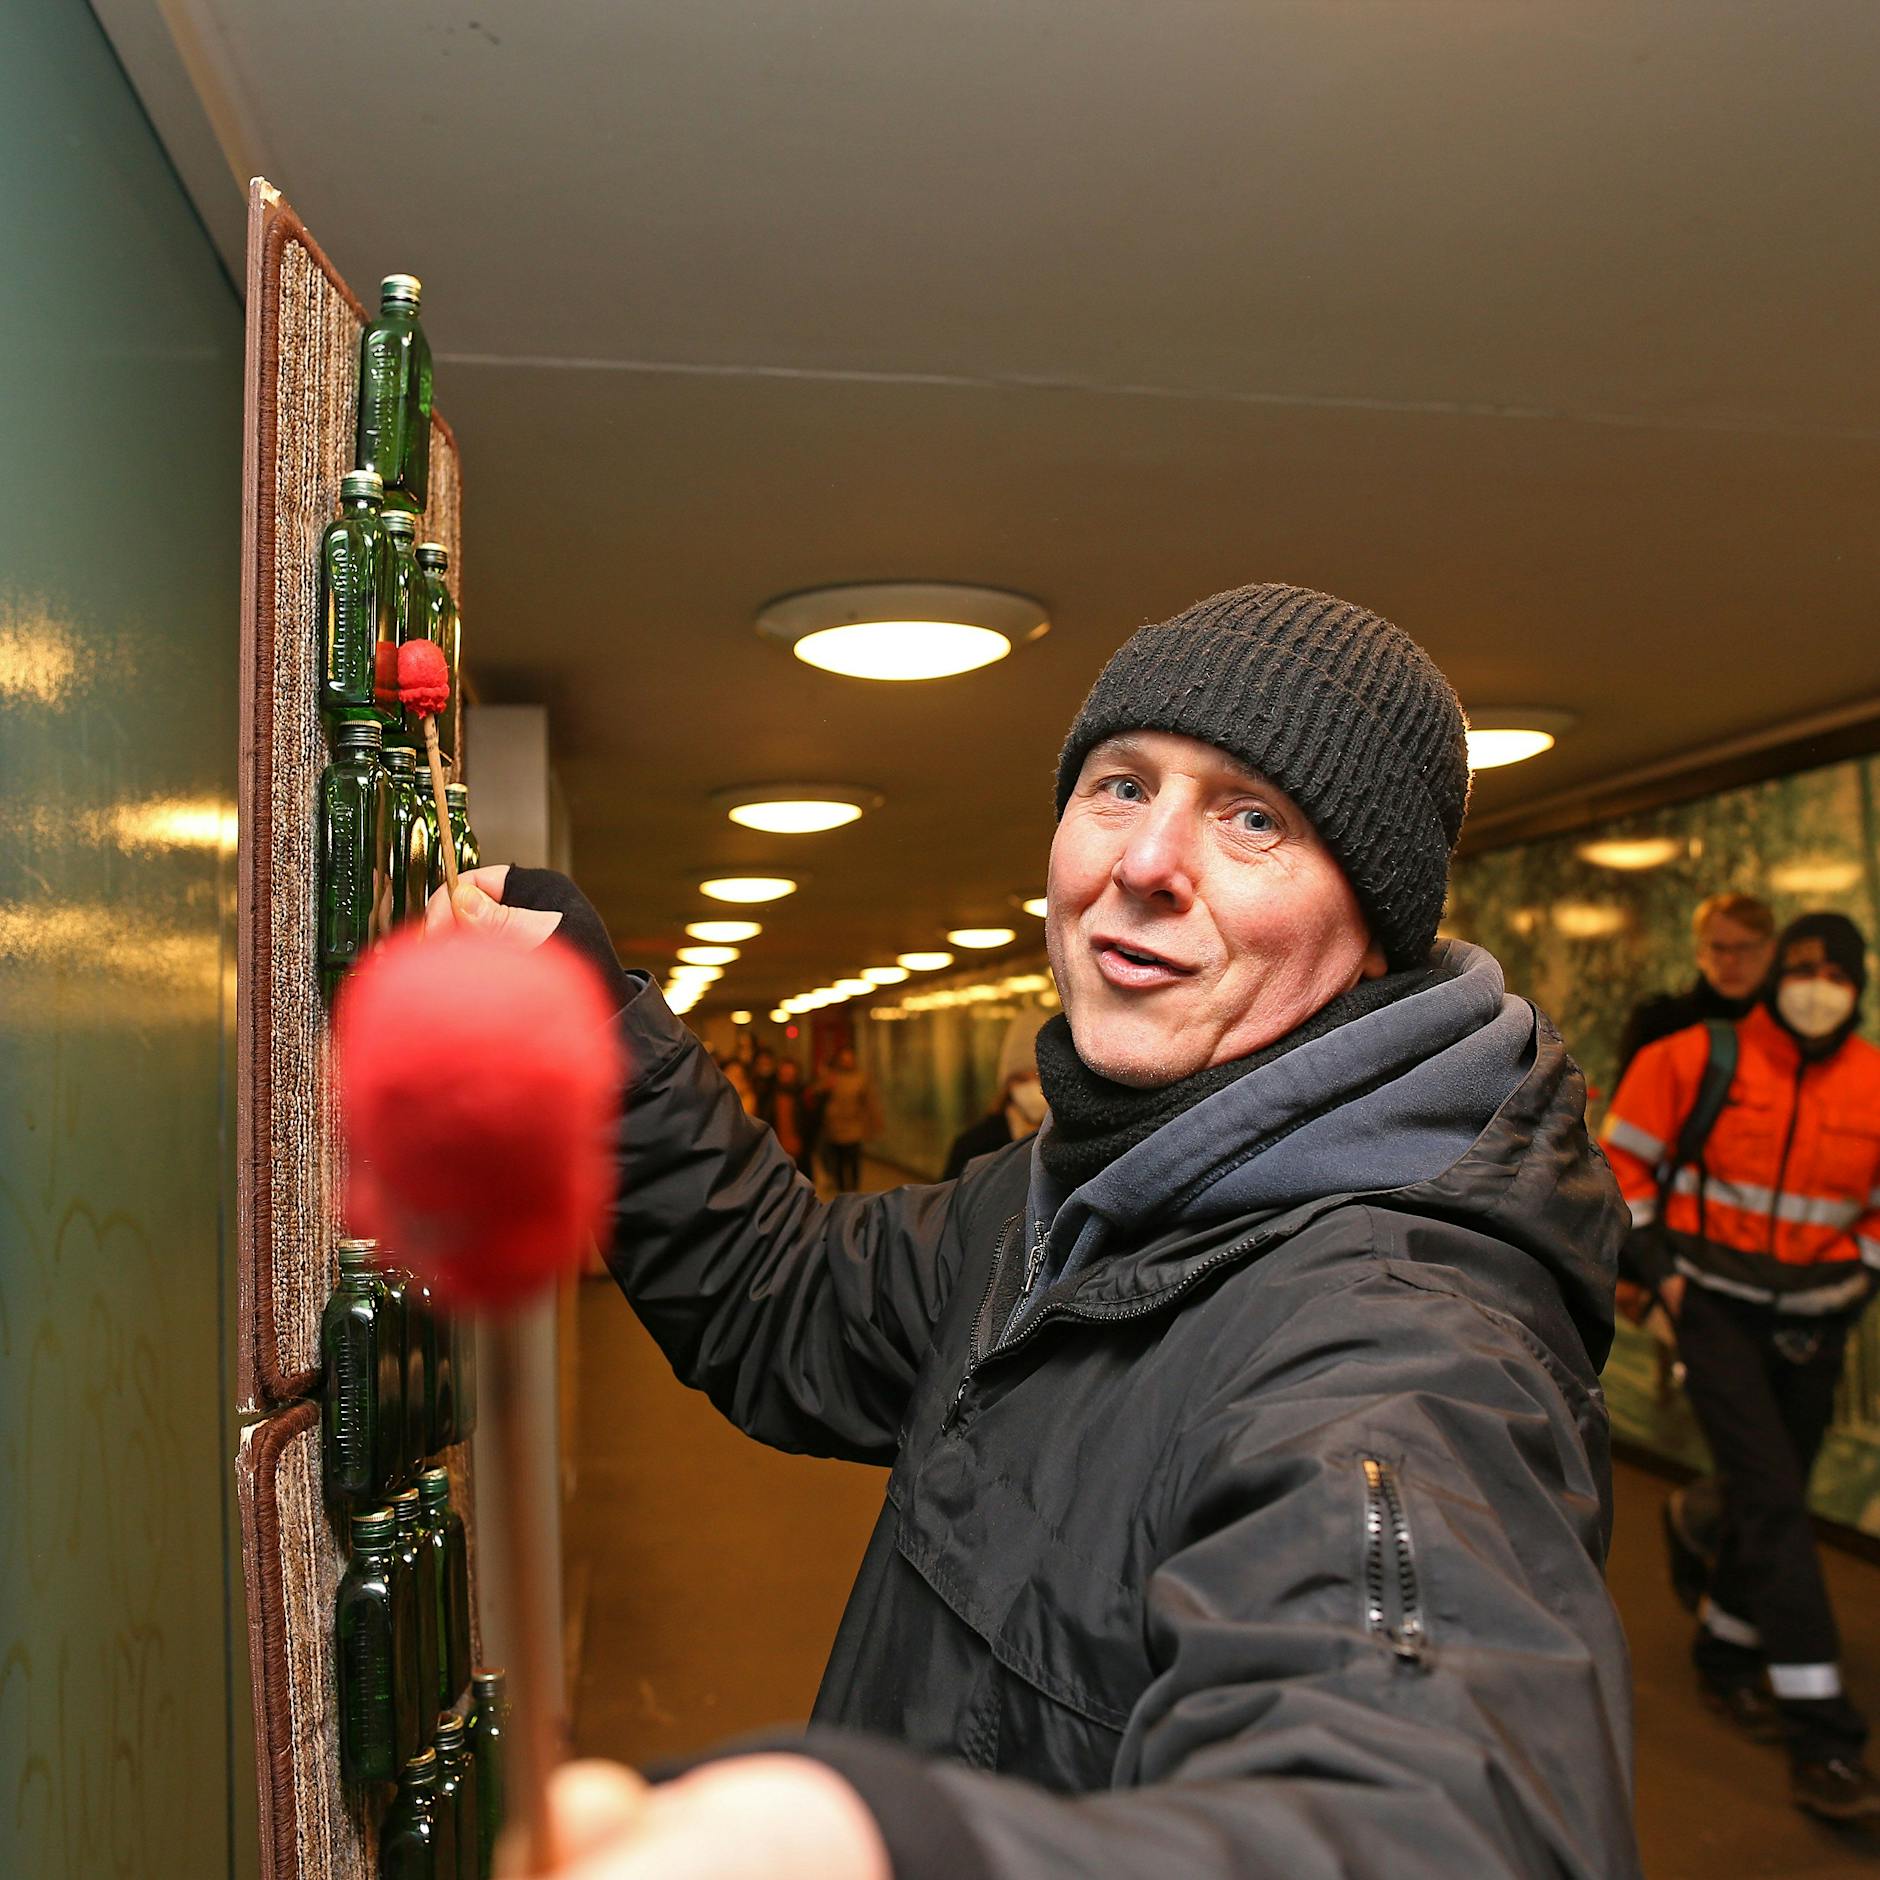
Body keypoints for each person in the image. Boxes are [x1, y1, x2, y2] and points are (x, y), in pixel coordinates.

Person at [436, 582, 1637, 1878]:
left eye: (1253, 819)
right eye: (1122, 785)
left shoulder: (1399, 1345)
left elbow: (1429, 1815)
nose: (1146, 863)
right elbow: (781, 1295)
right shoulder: (1053, 1196)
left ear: (1372, 941)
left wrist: (889, 1846)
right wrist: (594, 1029)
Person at [1601, 911, 1880, 1822]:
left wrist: (1861, 1273)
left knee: (1773, 1492)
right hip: (1713, 1310)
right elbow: (1622, 1172)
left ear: (1859, 983)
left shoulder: (1876, 1081)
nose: (1816, 984)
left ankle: (1725, 1652)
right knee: (1772, 1499)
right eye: (1800, 967)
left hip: (1817, 1324)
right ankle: (1824, 1735)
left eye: (1835, 971)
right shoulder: (1693, 1057)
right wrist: (1668, 1283)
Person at [1616, 891, 1776, 1080]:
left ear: (1771, 951)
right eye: (1718, 948)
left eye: (1744, 948)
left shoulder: (1787, 1025)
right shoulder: (1658, 1023)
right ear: (1700, 953)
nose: (1730, 960)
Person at [941, 1009, 1050, 1180]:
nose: (1033, 1087)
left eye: (1040, 1077)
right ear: (1006, 1086)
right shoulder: (973, 1147)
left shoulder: (1072, 1141)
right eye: (1021, 1079)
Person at [813, 1045, 882, 1192]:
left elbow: (869, 1103)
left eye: (849, 1059)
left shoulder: (860, 1078)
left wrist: (874, 1124)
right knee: (838, 1164)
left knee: (853, 1163)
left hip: (853, 1128)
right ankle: (843, 1192)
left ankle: (854, 1192)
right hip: (833, 1128)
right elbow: (816, 1094)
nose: (846, 1062)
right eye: (843, 1059)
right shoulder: (832, 1077)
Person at [759, 1054, 817, 1177]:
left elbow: (811, 1122)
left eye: (790, 1074)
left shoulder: (803, 1094)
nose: (787, 1076)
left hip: (800, 1150)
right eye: (784, 1073)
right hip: (777, 1149)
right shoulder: (770, 1094)